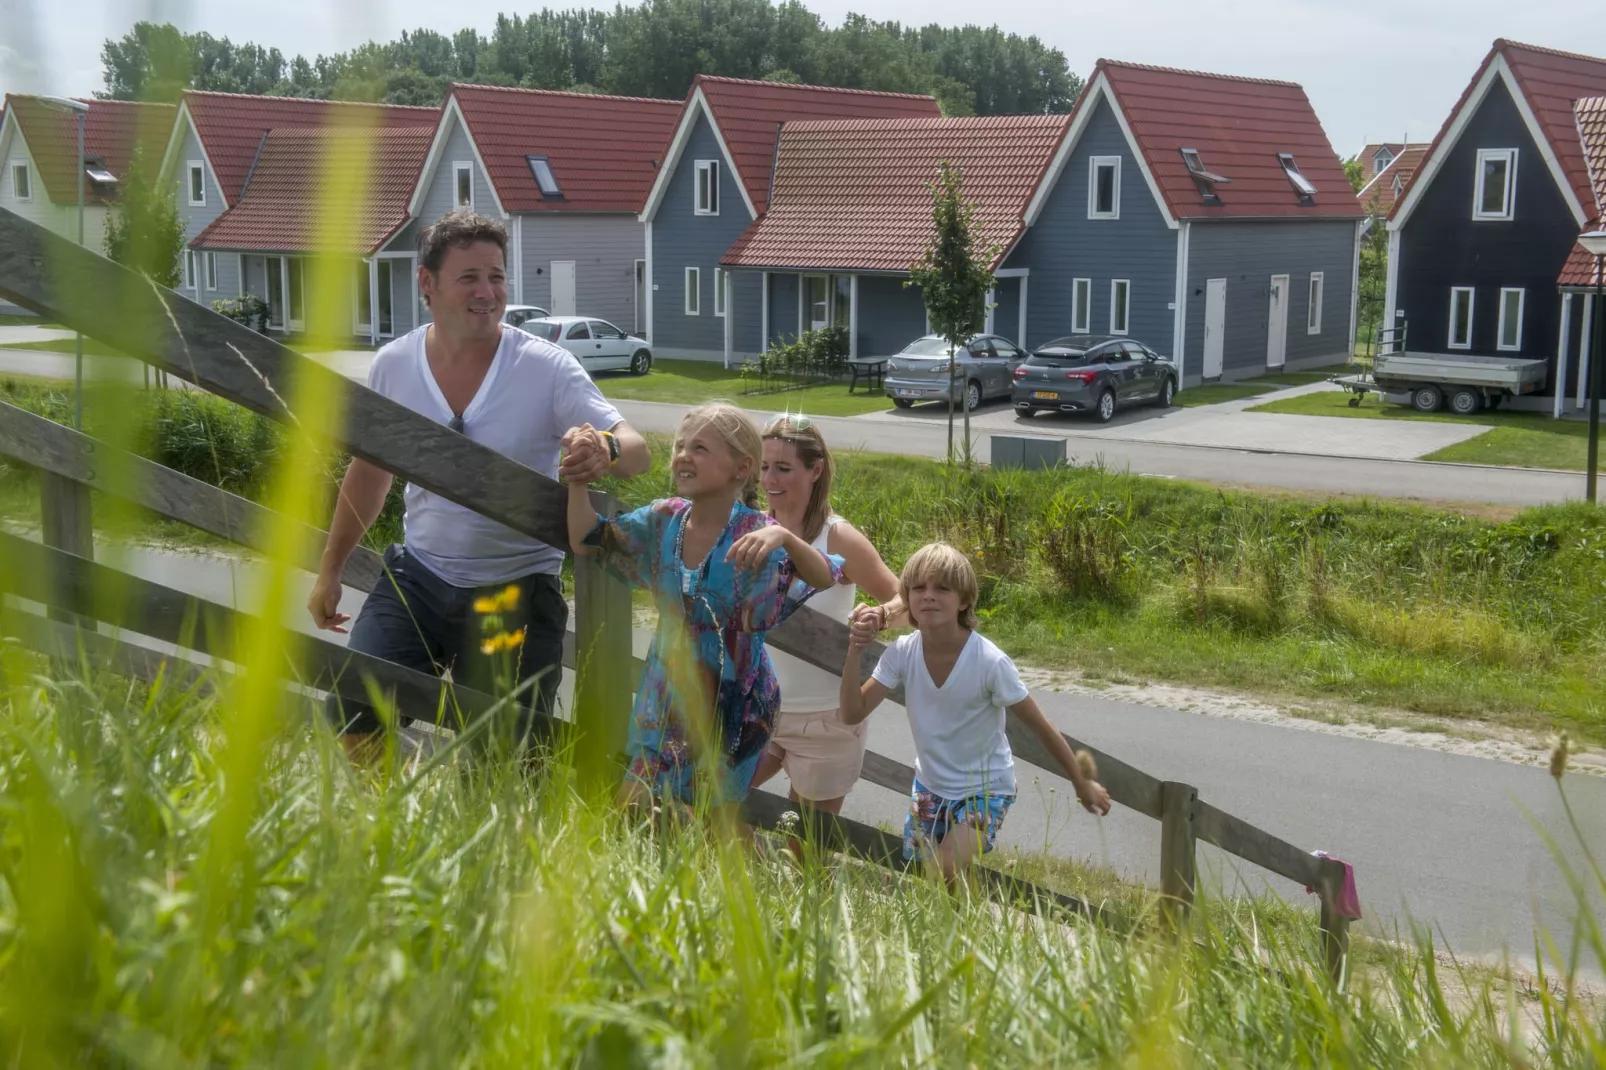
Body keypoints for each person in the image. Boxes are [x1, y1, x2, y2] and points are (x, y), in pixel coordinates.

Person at [307, 210, 649, 759]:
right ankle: (389, 835)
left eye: (496, 275)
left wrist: (603, 448)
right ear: (428, 282)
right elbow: (369, 473)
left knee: (502, 764)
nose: (487, 291)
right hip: (418, 579)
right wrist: (330, 570)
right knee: (352, 714)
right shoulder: (394, 365)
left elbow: (637, 451)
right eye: (469, 277)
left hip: (513, 593)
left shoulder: (547, 367)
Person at [566, 402, 845, 815]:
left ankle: (750, 879)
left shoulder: (754, 532)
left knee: (715, 827)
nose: (682, 456)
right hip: (664, 694)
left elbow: (823, 575)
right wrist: (576, 479)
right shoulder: (663, 520)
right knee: (630, 807)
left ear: (741, 467)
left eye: (699, 448)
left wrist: (783, 537)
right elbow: (587, 539)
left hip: (734, 705)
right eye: (679, 446)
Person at [839, 543, 1111, 884]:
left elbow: (1041, 727)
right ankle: (960, 932)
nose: (929, 596)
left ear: (964, 600)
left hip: (985, 789)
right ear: (906, 598)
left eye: (943, 588)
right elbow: (853, 713)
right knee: (927, 877)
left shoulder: (988, 661)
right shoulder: (902, 653)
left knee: (946, 868)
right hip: (930, 786)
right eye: (919, 588)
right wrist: (855, 649)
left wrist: (1080, 781)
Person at [749, 414, 904, 816]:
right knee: (713, 805)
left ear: (815, 470)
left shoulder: (836, 537)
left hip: (825, 720)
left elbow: (907, 599)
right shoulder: (752, 525)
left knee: (805, 854)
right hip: (760, 707)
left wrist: (880, 616)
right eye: (764, 467)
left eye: (783, 468)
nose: (769, 480)